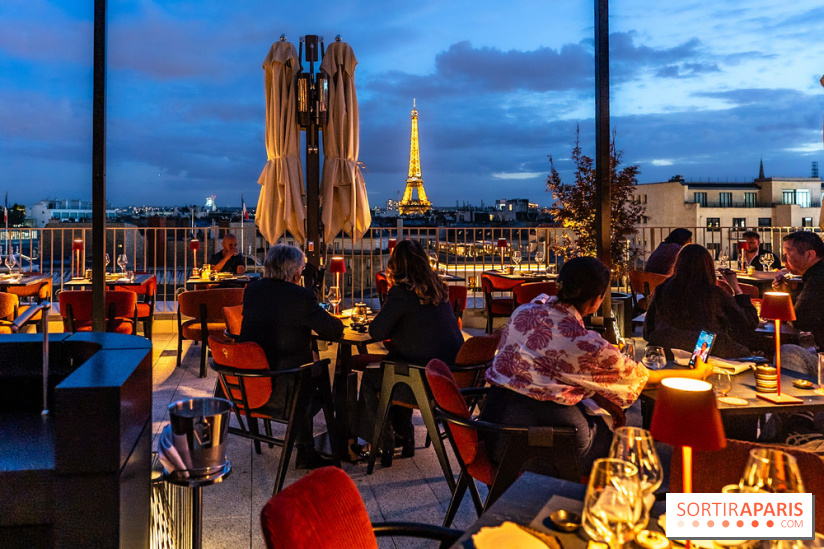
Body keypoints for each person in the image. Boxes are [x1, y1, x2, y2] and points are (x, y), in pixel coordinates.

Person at [481, 256, 712, 473]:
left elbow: (547, 373)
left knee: (601, 418)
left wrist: (600, 397)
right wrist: (696, 374)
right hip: (553, 446)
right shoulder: (584, 343)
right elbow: (641, 378)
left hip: (496, 431)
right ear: (596, 300)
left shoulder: (524, 312)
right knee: (622, 446)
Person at [356, 239, 464, 465]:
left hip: (422, 383)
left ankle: (382, 442)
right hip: (449, 378)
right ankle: (403, 436)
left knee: (372, 377)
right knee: (396, 365)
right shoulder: (440, 290)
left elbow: (376, 331)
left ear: (396, 266)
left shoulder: (402, 293)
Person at [238, 244, 344, 469]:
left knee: (305, 365)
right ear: (296, 272)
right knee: (317, 371)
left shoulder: (252, 290)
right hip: (283, 394)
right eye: (303, 269)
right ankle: (335, 439)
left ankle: (306, 449)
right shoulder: (301, 296)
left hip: (246, 385)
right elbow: (332, 330)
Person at [643, 244, 763, 358]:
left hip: (668, 355)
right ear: (708, 267)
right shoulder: (714, 295)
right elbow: (748, 323)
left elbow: (647, 332)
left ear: (678, 265)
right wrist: (736, 288)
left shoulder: (663, 290)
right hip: (709, 355)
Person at [773, 231, 824, 376]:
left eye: (788, 253)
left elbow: (800, 320)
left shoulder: (818, 278)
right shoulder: (815, 275)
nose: (784, 260)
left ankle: (795, 396)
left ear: (810, 255)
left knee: (787, 352)